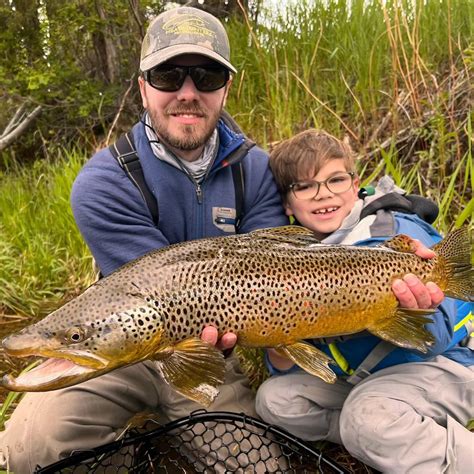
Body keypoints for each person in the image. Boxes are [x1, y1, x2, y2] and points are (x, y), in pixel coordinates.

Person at [0, 7, 442, 471]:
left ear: (225, 88)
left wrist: (398, 237)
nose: (187, 92)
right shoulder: (102, 183)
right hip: (122, 355)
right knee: (33, 450)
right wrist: (73, 337)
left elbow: (292, 263)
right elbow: (154, 296)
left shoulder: (258, 170)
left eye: (206, 76)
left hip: (216, 354)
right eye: (168, 75)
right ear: (143, 86)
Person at [255, 129, 473, 473]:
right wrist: (278, 344)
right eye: (305, 186)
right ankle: (382, 435)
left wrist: (419, 310)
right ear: (287, 203)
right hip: (366, 378)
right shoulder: (298, 258)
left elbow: (440, 336)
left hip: (450, 367)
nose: (322, 194)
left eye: (335, 180)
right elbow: (298, 362)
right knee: (274, 400)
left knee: (364, 416)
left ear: (356, 185)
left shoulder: (395, 231)